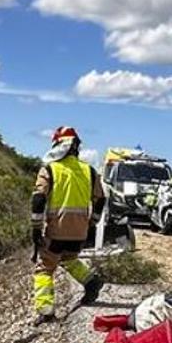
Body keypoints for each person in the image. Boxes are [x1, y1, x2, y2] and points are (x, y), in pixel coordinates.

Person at [30, 127, 106, 325]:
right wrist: (92, 223)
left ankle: (46, 311)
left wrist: (36, 229)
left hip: (56, 230)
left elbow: (38, 200)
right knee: (69, 258)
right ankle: (91, 281)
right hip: (80, 232)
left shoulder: (49, 169)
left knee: (44, 269)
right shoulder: (89, 171)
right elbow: (100, 199)